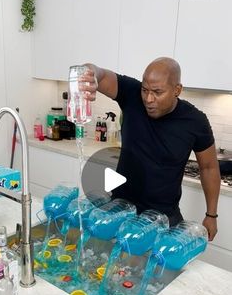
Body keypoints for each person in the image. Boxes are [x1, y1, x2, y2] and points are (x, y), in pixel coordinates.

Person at [79, 57, 221, 241]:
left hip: (163, 218)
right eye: (145, 90)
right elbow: (101, 73)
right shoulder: (131, 94)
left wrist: (211, 215)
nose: (148, 99)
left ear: (177, 90)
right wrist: (89, 75)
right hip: (120, 209)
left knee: (162, 267)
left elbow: (209, 167)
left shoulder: (195, 121)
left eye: (157, 92)